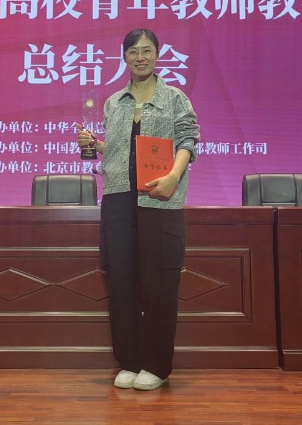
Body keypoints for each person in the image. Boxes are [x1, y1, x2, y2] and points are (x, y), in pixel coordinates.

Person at [77, 28, 200, 391]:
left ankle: (157, 365)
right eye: (133, 52)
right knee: (122, 281)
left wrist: (174, 176)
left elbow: (188, 140)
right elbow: (122, 150)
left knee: (159, 284)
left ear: (157, 55)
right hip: (118, 200)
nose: (140, 57)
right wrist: (96, 145)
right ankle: (128, 361)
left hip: (159, 198)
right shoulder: (113, 102)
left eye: (146, 51)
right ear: (125, 57)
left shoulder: (174, 97)